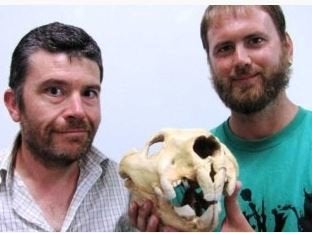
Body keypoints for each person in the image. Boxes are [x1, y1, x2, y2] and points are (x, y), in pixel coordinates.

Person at [128, 5, 312, 232]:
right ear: (211, 63)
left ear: (287, 48)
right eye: (225, 49)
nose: (241, 60)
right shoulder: (189, 165)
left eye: (255, 41)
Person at [0, 22, 129, 231]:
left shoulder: (128, 192)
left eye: (89, 93)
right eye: (54, 91)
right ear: (14, 104)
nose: (78, 111)